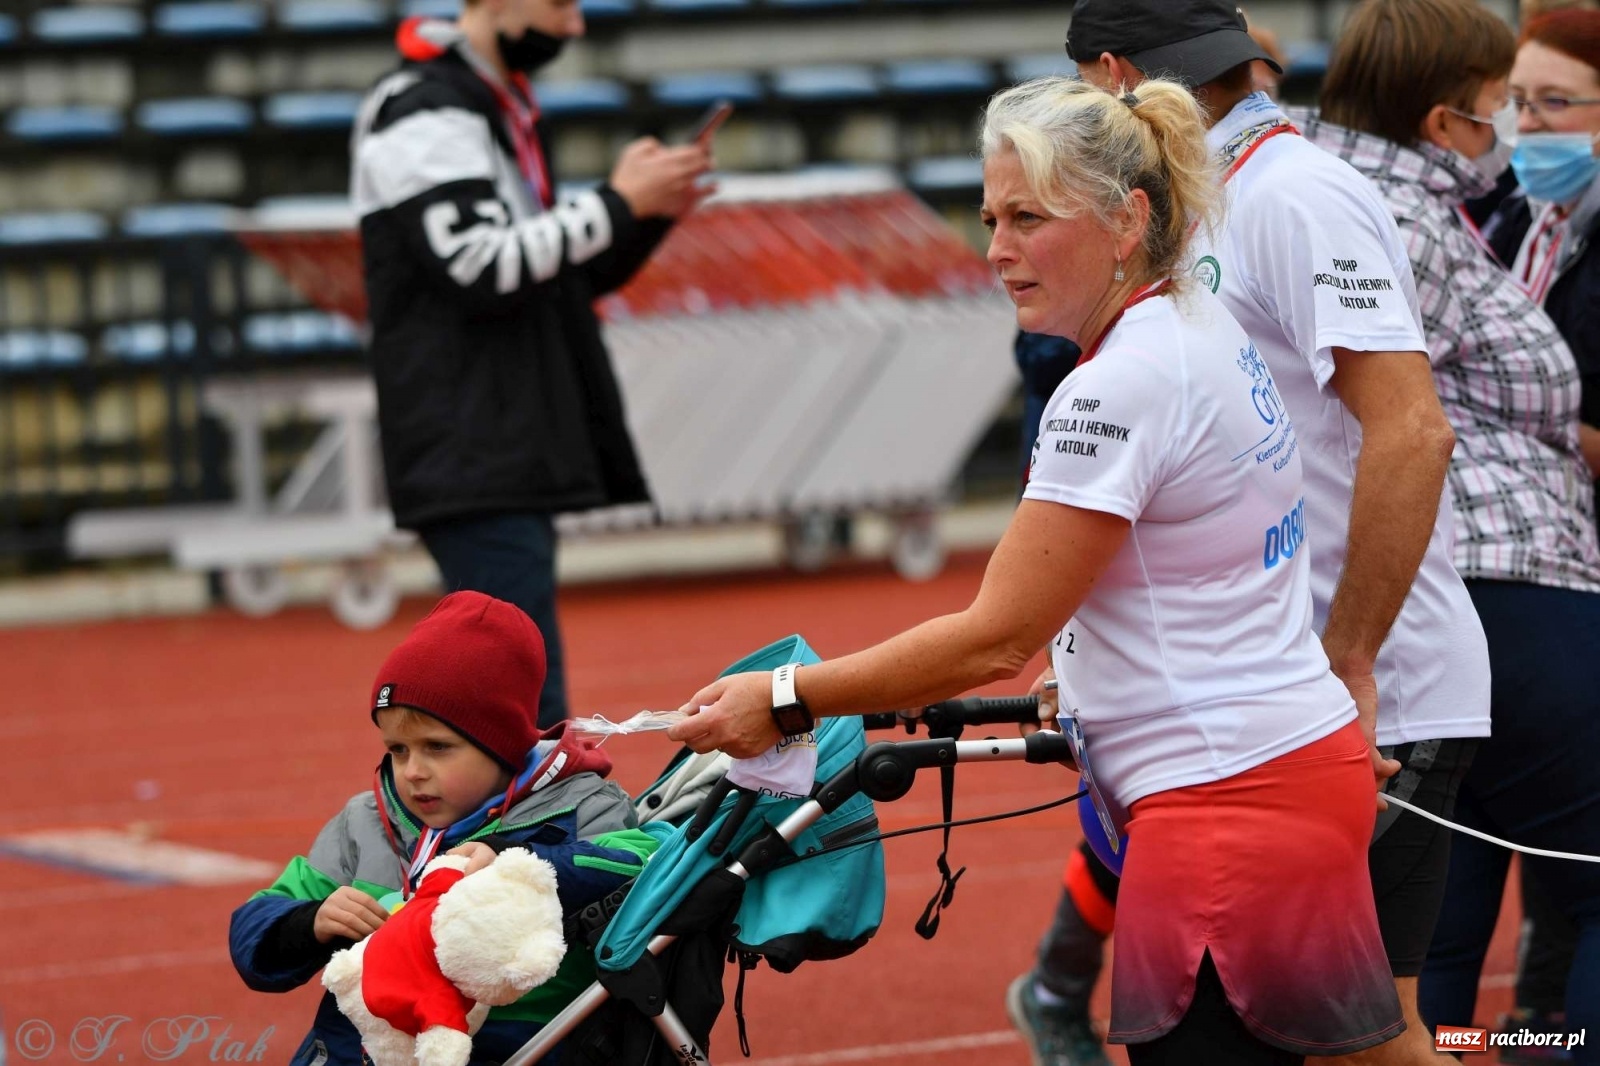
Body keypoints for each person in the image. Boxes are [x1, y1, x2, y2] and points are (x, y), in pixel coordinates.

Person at [671, 74, 1405, 1064]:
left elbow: (992, 636)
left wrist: (789, 696)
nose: (996, 249)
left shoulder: (1116, 385)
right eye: (988, 217)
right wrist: (1089, 661)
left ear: (1125, 219)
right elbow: (1190, 560)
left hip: (1220, 819)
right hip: (1288, 771)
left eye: (1027, 217)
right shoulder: (1198, 322)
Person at [1007, 2, 1494, 1063]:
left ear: (1113, 73)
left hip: (1354, 694)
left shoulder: (1290, 192)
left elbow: (1412, 433)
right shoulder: (1207, 204)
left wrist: (1350, 658)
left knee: (1379, 1035)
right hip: (1268, 708)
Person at [1296, 1, 1600, 1050]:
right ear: (1437, 121)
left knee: (1432, 924)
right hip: (1486, 577)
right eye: (1497, 110)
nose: (1509, 135)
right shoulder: (1391, 215)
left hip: (1442, 597)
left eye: (1543, 104)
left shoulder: (1344, 194)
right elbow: (1400, 420)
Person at [351, 0, 713, 728]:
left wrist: (643, 214)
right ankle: (522, 844)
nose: (574, 26)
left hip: (496, 441)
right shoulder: (425, 109)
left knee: (518, 693)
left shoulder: (487, 100)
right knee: (517, 706)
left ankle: (521, 841)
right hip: (469, 441)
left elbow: (551, 279)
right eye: (559, 3)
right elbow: (481, 266)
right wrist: (615, 202)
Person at [228, 591, 659, 1065]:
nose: (412, 771)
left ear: (504, 745)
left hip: (512, 1047)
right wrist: (308, 923)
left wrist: (515, 863)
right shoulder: (366, 823)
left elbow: (640, 867)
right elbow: (253, 932)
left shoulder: (580, 811)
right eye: (397, 749)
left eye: (437, 747)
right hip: (358, 1045)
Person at [1484, 11, 1600, 516]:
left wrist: (1504, 414)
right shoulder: (1524, 216)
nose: (1527, 122)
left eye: (1554, 101)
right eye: (1517, 102)